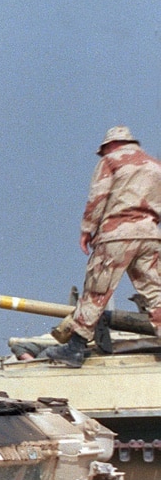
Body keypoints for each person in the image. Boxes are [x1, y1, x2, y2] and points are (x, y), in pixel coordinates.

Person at [42, 126, 161, 367]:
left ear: (110, 145)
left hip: (116, 235)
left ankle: (75, 348)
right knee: (156, 293)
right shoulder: (154, 165)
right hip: (150, 234)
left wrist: (87, 229)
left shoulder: (111, 161)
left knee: (96, 291)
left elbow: (98, 197)